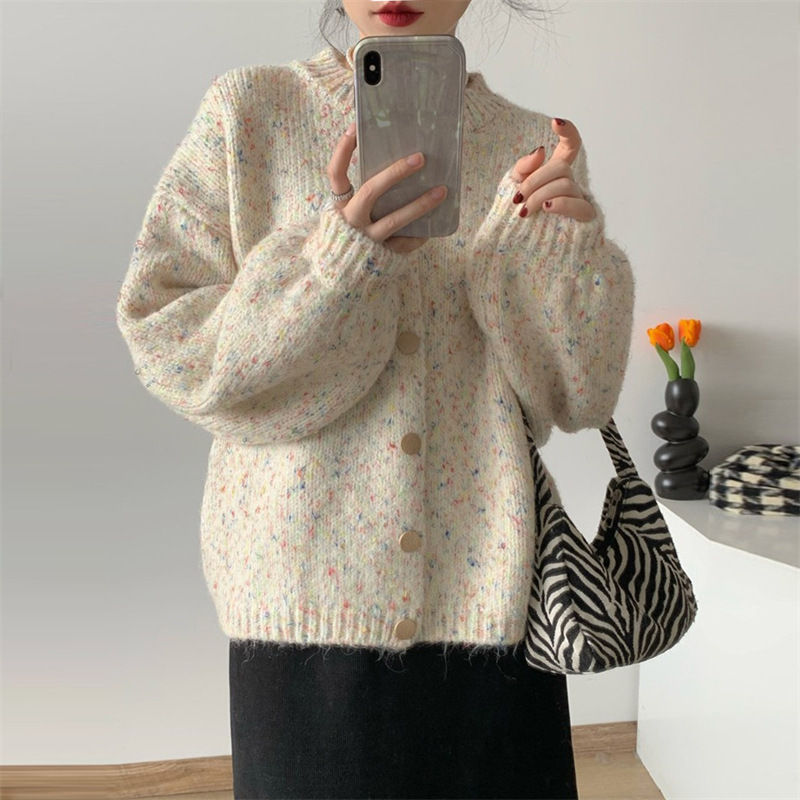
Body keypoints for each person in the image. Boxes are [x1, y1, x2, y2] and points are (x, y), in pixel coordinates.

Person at [116, 0, 635, 797]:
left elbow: (577, 397)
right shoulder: (250, 112)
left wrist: (567, 260)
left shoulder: (534, 144)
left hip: (498, 605)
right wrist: (336, 263)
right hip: (302, 614)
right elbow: (169, 343)